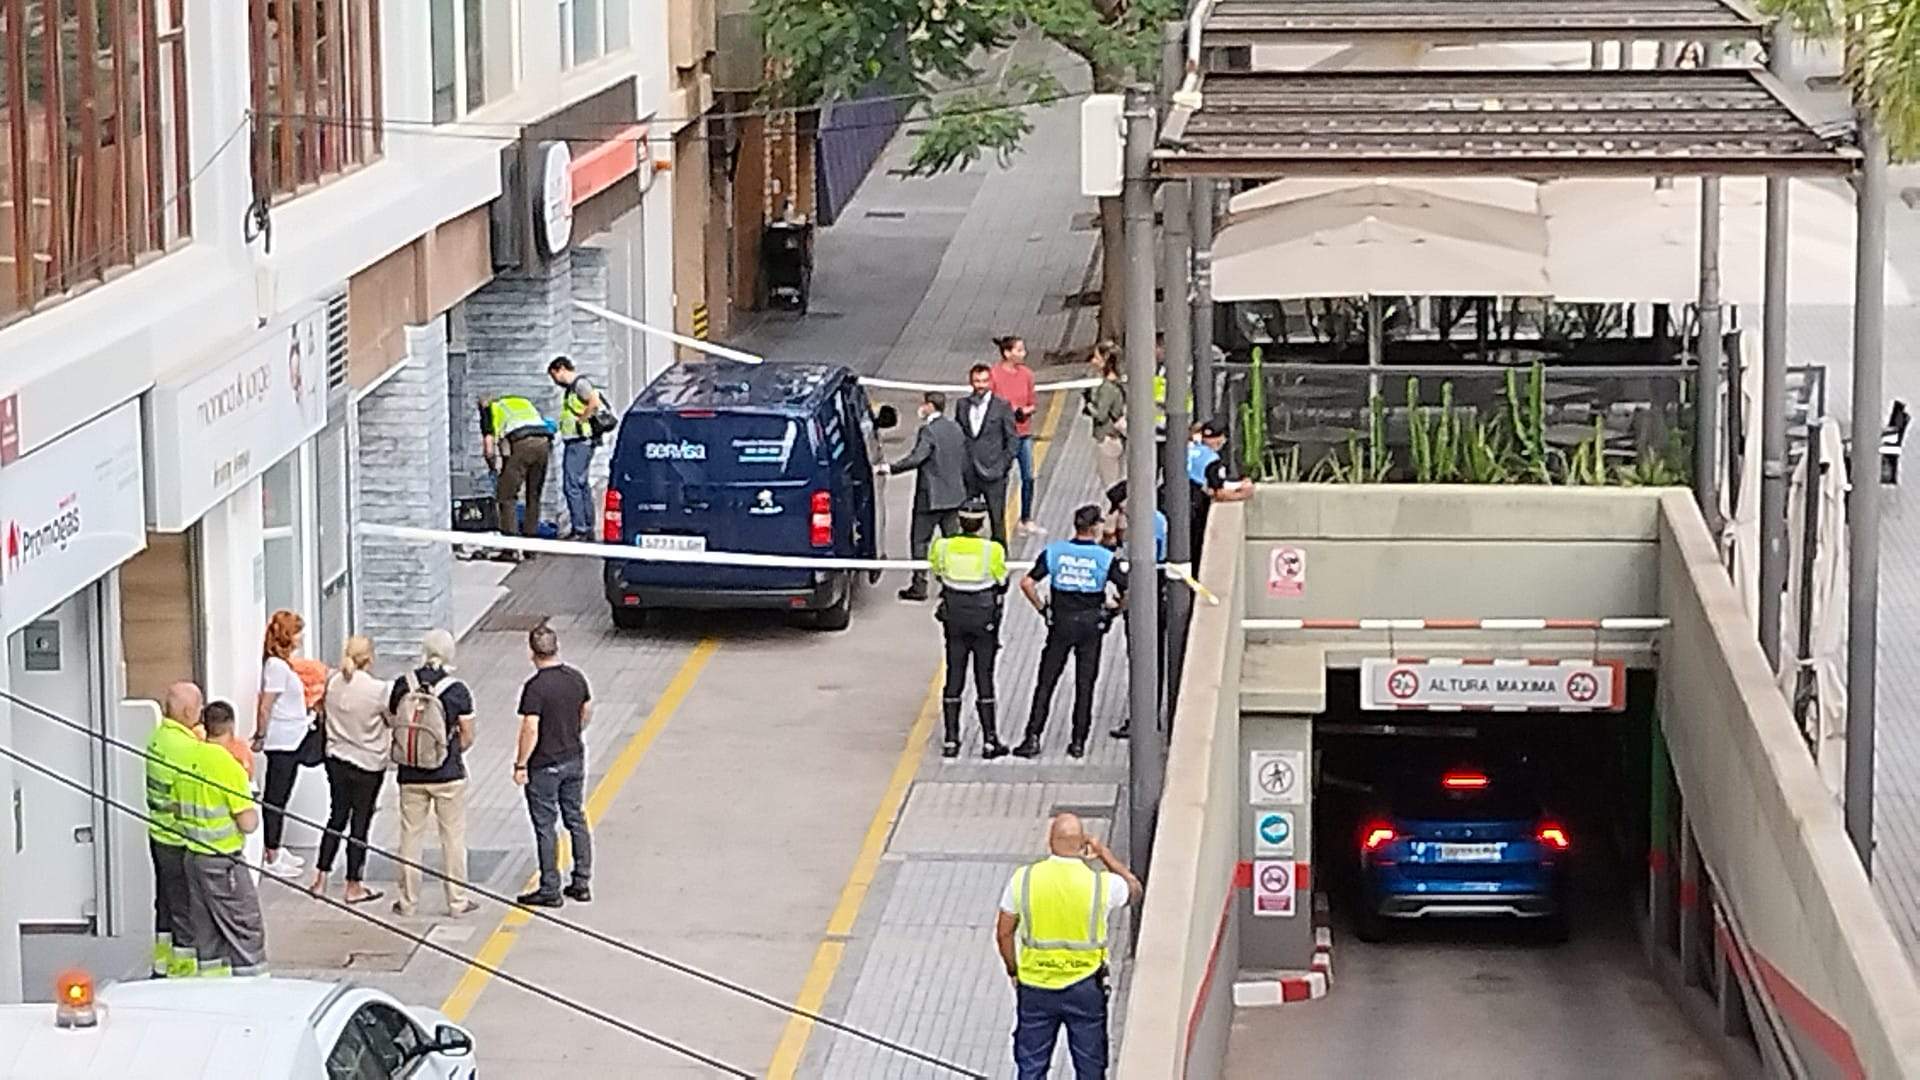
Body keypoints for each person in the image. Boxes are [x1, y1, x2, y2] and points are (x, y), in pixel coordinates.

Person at [995, 813, 1142, 1080]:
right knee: (1090, 1066)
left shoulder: (1024, 879)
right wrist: (1104, 854)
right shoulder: (1100, 885)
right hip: (1085, 987)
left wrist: (1013, 970)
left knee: (1031, 1065)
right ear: (1082, 844)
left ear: (1050, 842)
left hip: (1035, 987)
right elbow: (1134, 889)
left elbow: (1004, 933)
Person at [1016, 505, 1128, 760]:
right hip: (1091, 625)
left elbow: (1027, 583)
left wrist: (1043, 609)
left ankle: (1032, 737)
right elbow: (1127, 589)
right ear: (1096, 527)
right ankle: (1078, 742)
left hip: (1061, 623)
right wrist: (1113, 611)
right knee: (1085, 684)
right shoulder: (1105, 558)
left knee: (1046, 681)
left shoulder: (1055, 552)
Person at [390, 629, 479, 917]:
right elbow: (468, 734)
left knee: (410, 837)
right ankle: (457, 901)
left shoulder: (404, 684)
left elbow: (394, 720)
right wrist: (451, 752)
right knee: (452, 837)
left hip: (410, 773)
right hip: (448, 773)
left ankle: (407, 901)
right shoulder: (457, 690)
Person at [514, 622, 594, 908]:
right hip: (574, 757)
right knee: (575, 817)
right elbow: (586, 708)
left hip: (544, 765)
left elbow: (530, 728)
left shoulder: (535, 688)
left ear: (532, 652)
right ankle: (582, 880)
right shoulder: (575, 678)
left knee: (546, 825)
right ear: (556, 646)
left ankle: (550, 887)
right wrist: (575, 730)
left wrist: (521, 764)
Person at [174, 733, 266, 978]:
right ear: (230, 730)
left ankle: (213, 984)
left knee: (206, 932)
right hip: (223, 863)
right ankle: (254, 985)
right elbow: (247, 823)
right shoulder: (229, 766)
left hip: (193, 857)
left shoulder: (186, 759)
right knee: (245, 926)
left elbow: (175, 808)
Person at [929, 497, 1011, 760]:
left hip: (954, 617)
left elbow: (938, 573)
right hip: (983, 619)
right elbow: (1002, 581)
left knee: (954, 676)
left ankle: (951, 740)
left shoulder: (942, 547)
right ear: (982, 523)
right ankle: (989, 740)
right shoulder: (993, 550)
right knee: (984, 677)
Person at [309, 637, 390, 904]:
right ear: (370, 658)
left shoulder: (333, 682)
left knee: (337, 816)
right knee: (360, 822)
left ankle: (320, 878)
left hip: (336, 758)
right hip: (368, 762)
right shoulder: (379, 690)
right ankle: (353, 884)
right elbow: (390, 720)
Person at [878, 390, 969, 602]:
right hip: (953, 496)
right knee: (951, 542)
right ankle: (952, 585)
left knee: (920, 541)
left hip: (931, 498)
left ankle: (919, 585)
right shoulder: (956, 428)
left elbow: (917, 457)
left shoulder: (928, 431)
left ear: (929, 406)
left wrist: (891, 468)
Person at [145, 682, 204, 978]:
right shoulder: (187, 748)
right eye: (199, 708)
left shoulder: (157, 738)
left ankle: (161, 962)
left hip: (157, 834)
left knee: (165, 904)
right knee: (184, 908)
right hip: (178, 838)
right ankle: (183, 970)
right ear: (188, 711)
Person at [1101, 480, 1167, 741]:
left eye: (1120, 506)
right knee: (1146, 656)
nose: (1118, 511)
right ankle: (1146, 714)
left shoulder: (1146, 527)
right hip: (1147, 591)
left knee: (1144, 656)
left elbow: (1136, 566)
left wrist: (1122, 602)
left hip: (1147, 594)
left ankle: (1144, 718)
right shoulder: (1150, 520)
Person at [254, 610, 310, 879]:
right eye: (297, 632)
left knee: (282, 795)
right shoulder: (276, 667)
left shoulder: (281, 665)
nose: (300, 637)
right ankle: (271, 852)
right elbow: (266, 705)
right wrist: (261, 735)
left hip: (292, 736)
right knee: (276, 797)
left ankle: (275, 846)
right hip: (282, 740)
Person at [479, 392, 555, 560]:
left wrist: (493, 468)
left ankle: (510, 549)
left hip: (522, 442)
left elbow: (489, 448)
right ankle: (531, 546)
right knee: (533, 495)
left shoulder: (490, 411)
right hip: (543, 442)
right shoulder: (521, 402)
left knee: (506, 496)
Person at [960, 363, 1021, 548]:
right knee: (966, 521)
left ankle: (1000, 564)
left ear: (990, 382)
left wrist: (1003, 466)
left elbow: (1012, 439)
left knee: (997, 521)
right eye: (977, 381)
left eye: (984, 381)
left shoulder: (1002, 406)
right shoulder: (962, 405)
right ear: (971, 382)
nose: (980, 385)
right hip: (969, 473)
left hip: (994, 474)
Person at [989, 335, 1041, 536]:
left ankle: (1026, 518)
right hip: (1002, 435)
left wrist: (1025, 411)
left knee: (1028, 476)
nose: (1023, 353)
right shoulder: (994, 375)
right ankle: (998, 517)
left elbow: (1032, 402)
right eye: (1019, 350)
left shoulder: (1027, 374)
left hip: (1023, 433)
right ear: (1007, 353)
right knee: (1002, 477)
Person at [549, 356, 605, 541]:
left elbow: (594, 402)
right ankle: (587, 526)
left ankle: (580, 528)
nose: (555, 381)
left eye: (554, 376)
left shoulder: (580, 384)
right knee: (581, 484)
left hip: (579, 441)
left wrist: (582, 419)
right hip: (580, 441)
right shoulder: (573, 388)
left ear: (561, 369)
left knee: (572, 484)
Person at [1187, 419, 1254, 566]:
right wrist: (1243, 494)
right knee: (1194, 549)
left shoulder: (1190, 449)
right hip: (1194, 507)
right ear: (1222, 438)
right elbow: (1218, 492)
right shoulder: (1212, 460)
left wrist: (1237, 484)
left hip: (1170, 498)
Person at [1086, 343, 1127, 491]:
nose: (1093, 362)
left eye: (1096, 358)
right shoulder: (1119, 383)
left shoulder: (1107, 388)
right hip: (1117, 438)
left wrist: (1089, 405)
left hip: (1107, 439)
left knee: (1111, 486)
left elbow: (1101, 415)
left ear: (1105, 360)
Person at [201, 701, 252, 777]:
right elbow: (249, 777)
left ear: (204, 724)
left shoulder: (198, 746)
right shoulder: (241, 749)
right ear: (232, 723)